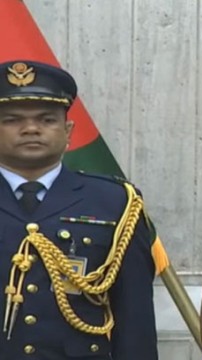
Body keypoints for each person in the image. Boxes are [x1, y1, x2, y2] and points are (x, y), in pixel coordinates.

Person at [0, 60, 158, 359]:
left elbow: (134, 317)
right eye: (12, 120)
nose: (31, 128)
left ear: (68, 130)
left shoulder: (115, 203)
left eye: (47, 120)